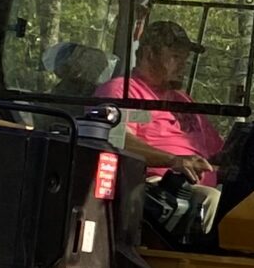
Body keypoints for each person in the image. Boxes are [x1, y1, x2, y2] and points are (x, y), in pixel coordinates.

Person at [94, 19, 224, 235]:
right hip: (151, 190)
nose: (182, 65)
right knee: (212, 199)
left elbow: (218, 151)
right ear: (149, 54)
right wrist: (173, 161)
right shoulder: (122, 91)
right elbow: (115, 138)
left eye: (185, 59)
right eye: (175, 57)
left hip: (193, 189)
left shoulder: (182, 100)